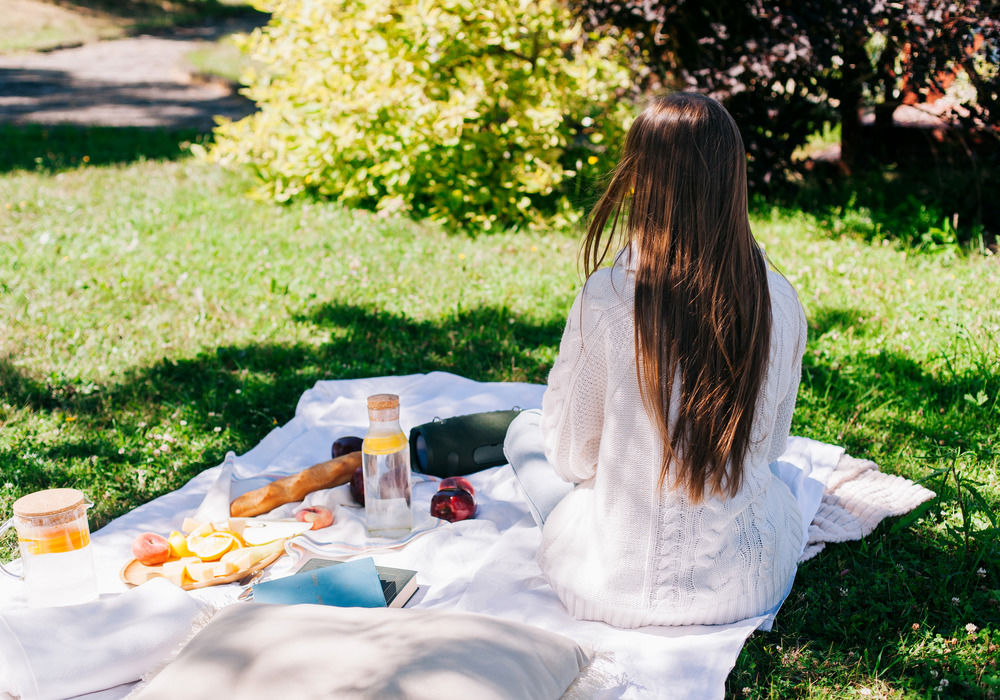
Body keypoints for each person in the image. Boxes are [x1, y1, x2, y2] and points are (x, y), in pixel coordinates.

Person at [503, 92, 807, 628]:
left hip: (606, 590)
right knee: (776, 475)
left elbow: (572, 458)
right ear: (733, 177)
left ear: (641, 179)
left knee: (525, 432)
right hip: (750, 585)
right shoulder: (778, 300)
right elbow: (773, 445)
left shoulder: (609, 298)